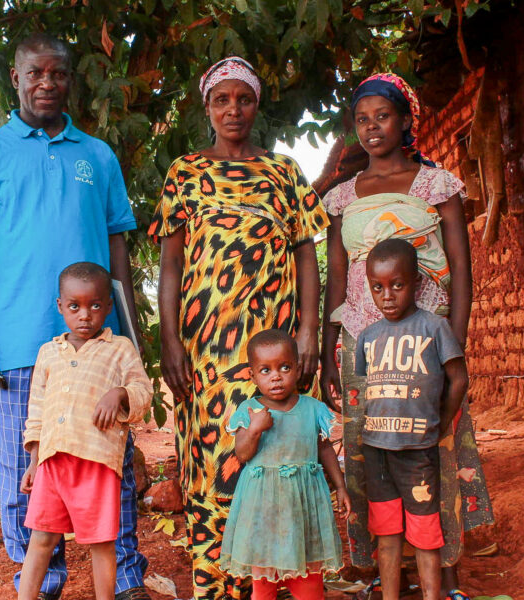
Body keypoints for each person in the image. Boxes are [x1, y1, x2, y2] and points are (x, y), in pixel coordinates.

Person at [0, 33, 151, 600]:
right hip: (18, 344)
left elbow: (117, 258)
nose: (46, 83)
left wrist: (129, 337)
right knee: (24, 475)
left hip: (99, 351)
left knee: (110, 465)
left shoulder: (98, 155)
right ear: (15, 78)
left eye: (57, 74)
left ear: (70, 80)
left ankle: (127, 580)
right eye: (34, 73)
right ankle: (41, 583)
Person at [149, 56, 328, 600]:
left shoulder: (285, 172)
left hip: (273, 351)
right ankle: (218, 586)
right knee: (214, 463)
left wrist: (309, 333)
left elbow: (305, 255)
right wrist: (170, 340)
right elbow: (171, 266)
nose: (233, 109)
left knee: (280, 459)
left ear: (256, 105)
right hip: (205, 350)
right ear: (207, 107)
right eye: (222, 100)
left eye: (244, 99)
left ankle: (282, 581)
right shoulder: (185, 173)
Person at [319, 73, 493, 600]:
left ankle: (450, 575)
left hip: (425, 344)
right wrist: (330, 352)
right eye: (362, 119)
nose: (372, 128)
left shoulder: (437, 185)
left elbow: (461, 270)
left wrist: (452, 346)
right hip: (359, 345)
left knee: (432, 451)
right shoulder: (341, 198)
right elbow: (336, 277)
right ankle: (380, 573)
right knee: (371, 453)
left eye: (383, 116)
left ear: (405, 120)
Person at [18, 263, 152, 600]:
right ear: (61, 306)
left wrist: (120, 393)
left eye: (95, 305)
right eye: (74, 306)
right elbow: (37, 410)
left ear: (108, 306)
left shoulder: (119, 348)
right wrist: (34, 460)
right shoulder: (49, 353)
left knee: (101, 542)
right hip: (53, 464)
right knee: (42, 538)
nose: (85, 315)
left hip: (96, 463)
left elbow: (142, 391)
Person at [354, 240, 468, 600]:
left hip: (417, 451)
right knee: (386, 535)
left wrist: (439, 424)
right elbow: (365, 390)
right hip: (377, 451)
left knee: (424, 533)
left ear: (416, 283)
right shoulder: (367, 336)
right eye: (378, 287)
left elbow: (459, 379)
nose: (387, 296)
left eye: (397, 285)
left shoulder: (434, 327)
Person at [219, 329, 350, 600]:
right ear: (252, 376)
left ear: (298, 368)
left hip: (303, 507)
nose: (276, 376)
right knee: (264, 584)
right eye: (265, 370)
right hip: (262, 510)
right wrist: (254, 430)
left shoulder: (313, 408)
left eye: (285, 367)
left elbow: (324, 448)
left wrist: (341, 486)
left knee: (309, 582)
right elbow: (242, 454)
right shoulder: (250, 410)